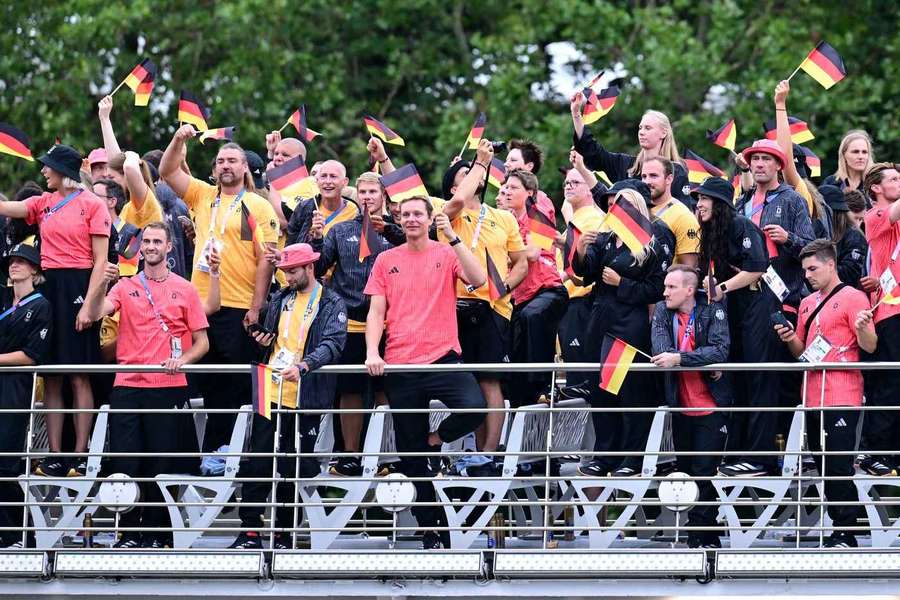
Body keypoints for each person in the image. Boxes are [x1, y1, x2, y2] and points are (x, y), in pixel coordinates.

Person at [364, 196, 487, 549]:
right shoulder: (386, 259)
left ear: (430, 218)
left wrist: (453, 237)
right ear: (399, 220)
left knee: (474, 406)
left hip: (443, 355)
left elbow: (478, 279)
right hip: (401, 362)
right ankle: (431, 529)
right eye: (406, 215)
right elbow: (375, 311)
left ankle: (436, 440)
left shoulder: (446, 252)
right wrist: (373, 352)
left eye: (419, 214)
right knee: (411, 453)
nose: (412, 219)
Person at [85, 221, 209, 548]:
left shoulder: (185, 288)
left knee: (160, 463)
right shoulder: (125, 286)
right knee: (126, 463)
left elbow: (202, 342)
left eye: (157, 241)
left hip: (166, 385)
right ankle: (128, 533)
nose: (151, 246)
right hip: (126, 383)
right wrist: (102, 282)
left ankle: (155, 535)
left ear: (169, 247)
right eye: (147, 241)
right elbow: (96, 312)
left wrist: (183, 361)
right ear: (141, 247)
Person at [159, 127, 280, 458]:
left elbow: (266, 262)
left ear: (244, 168)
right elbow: (167, 171)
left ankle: (242, 459)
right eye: (221, 161)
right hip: (201, 307)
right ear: (213, 170)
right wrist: (179, 140)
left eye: (233, 160)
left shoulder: (258, 204)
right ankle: (214, 456)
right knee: (209, 387)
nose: (226, 165)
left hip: (240, 307)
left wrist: (256, 308)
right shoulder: (202, 195)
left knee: (239, 388)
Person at [0, 145, 110, 477]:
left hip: (80, 285)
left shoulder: (93, 204)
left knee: (78, 373)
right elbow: (8, 207)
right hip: (49, 285)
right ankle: (55, 453)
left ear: (64, 170)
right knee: (51, 374)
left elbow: (102, 261)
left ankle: (80, 451)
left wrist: (90, 306)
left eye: (48, 167)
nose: (44, 172)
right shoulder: (43, 203)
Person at [230, 243, 347, 550]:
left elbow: (334, 344)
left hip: (304, 394)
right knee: (257, 461)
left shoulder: (332, 301)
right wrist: (258, 337)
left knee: (292, 465)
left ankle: (284, 533)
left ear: (310, 267)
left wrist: (306, 365)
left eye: (292, 271)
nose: (287, 277)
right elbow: (266, 343)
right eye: (283, 272)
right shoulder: (280, 297)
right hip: (269, 387)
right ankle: (250, 530)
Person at [774, 239, 876, 547]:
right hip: (812, 392)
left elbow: (870, 346)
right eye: (805, 270)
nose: (807, 275)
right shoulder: (806, 303)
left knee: (837, 464)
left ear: (831, 265)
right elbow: (803, 352)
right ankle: (845, 526)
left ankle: (848, 529)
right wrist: (790, 337)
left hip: (843, 391)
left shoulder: (854, 297)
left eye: (813, 268)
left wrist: (862, 327)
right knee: (822, 463)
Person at [572, 186, 670, 477]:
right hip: (600, 321)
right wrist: (580, 250)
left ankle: (632, 457)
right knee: (602, 392)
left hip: (630, 324)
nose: (614, 209)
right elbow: (585, 273)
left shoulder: (653, 236)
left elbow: (657, 288)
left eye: (620, 204)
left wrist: (622, 284)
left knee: (631, 392)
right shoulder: (605, 237)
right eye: (611, 204)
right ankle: (605, 455)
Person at [441, 140, 527, 453]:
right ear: (454, 187)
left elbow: (521, 262)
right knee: (463, 384)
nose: (475, 179)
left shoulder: (503, 217)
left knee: (489, 381)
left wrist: (504, 285)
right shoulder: (447, 214)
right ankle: (461, 450)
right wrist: (477, 164)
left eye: (475, 175)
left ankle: (488, 453)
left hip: (493, 309)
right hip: (452, 308)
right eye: (465, 177)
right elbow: (458, 201)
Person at [310, 172, 397, 476]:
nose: (367, 197)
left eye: (373, 191)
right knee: (350, 391)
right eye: (362, 191)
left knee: (387, 391)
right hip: (349, 322)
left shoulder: (396, 231)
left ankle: (386, 454)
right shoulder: (340, 230)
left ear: (384, 195)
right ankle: (350, 455)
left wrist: (392, 229)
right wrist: (317, 238)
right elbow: (318, 269)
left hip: (390, 323)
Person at [691, 177, 776, 477]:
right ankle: (740, 452)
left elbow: (756, 268)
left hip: (757, 307)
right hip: (734, 311)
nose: (698, 204)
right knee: (738, 380)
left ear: (720, 203)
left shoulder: (740, 225)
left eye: (704, 198)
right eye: (697, 199)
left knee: (757, 380)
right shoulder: (712, 232)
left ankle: (761, 457)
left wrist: (721, 286)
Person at [651, 264, 731, 549]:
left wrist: (681, 359)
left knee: (705, 473)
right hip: (680, 406)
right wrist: (696, 359)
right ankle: (701, 537)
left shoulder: (711, 307)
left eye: (671, 287)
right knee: (686, 475)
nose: (665, 292)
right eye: (665, 287)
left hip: (712, 406)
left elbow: (720, 350)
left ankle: (702, 539)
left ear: (689, 289)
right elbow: (661, 350)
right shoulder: (662, 310)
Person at [0, 242, 52, 548]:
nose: (14, 265)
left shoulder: (41, 305)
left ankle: (22, 535)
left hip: (15, 389)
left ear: (35, 269)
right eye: (12, 261)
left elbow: (33, 355)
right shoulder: (4, 297)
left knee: (5, 464)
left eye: (22, 261)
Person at [503, 169, 567, 406]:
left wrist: (505, 257)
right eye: (505, 187)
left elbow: (531, 253)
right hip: (520, 298)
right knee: (514, 348)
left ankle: (545, 386)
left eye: (513, 187)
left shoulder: (538, 214)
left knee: (533, 316)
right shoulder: (505, 221)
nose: (507, 191)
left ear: (529, 193)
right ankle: (522, 401)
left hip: (549, 290)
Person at [570, 92, 692, 208]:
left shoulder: (676, 170)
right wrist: (576, 113)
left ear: (664, 133)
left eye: (648, 128)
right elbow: (594, 152)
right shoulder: (626, 164)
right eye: (640, 128)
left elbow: (684, 212)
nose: (642, 132)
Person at [857, 163, 900, 476]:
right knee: (888, 382)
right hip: (888, 311)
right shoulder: (874, 216)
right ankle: (875, 453)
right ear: (875, 188)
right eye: (895, 179)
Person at [557, 154, 606, 382]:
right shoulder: (575, 220)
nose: (568, 185)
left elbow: (585, 269)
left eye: (575, 182)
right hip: (571, 300)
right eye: (566, 182)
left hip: (582, 300)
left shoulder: (594, 219)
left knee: (581, 373)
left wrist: (561, 276)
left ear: (590, 188)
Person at [641, 157, 700, 267]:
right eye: (644, 176)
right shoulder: (638, 208)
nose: (647, 181)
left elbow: (688, 269)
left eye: (653, 176)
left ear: (669, 179)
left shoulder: (683, 216)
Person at [286, 160, 359, 245]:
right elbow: (291, 244)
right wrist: (311, 236)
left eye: (333, 176)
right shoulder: (304, 208)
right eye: (323, 176)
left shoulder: (354, 211)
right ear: (317, 181)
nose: (327, 181)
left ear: (345, 182)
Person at [819, 185, 868, 289]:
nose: (858, 224)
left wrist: (818, 270)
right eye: (856, 218)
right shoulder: (818, 230)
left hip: (845, 296)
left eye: (861, 219)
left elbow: (850, 274)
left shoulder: (854, 236)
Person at [504, 139, 556, 221]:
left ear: (529, 166)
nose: (506, 164)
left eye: (513, 160)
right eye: (506, 160)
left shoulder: (540, 199)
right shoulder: (509, 201)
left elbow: (542, 231)